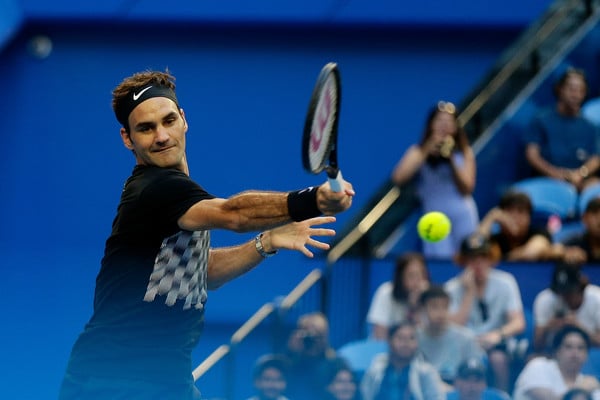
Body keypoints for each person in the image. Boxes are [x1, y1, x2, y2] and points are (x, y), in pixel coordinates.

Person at [58, 70, 355, 400]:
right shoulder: (154, 188)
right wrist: (312, 200)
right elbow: (235, 214)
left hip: (166, 378)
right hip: (114, 378)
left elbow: (202, 273)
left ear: (183, 120)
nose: (161, 135)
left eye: (168, 120)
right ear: (128, 138)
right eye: (146, 128)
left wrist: (266, 242)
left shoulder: (179, 196)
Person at [391, 101, 479, 259]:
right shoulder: (418, 150)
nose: (444, 126)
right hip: (434, 218)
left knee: (468, 260)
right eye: (439, 121)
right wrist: (426, 150)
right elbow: (399, 178)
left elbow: (467, 188)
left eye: (449, 122)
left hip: (463, 216)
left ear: (456, 127)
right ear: (430, 124)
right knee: (438, 262)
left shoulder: (465, 152)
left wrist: (450, 159)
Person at [445, 233, 525, 392]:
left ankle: (501, 396)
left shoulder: (506, 282)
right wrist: (469, 292)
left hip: (496, 343)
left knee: (498, 359)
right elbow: (453, 327)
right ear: (463, 262)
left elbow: (518, 322)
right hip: (464, 345)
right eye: (472, 259)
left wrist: (497, 335)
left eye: (483, 257)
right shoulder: (451, 288)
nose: (479, 264)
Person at [523, 67, 600, 192]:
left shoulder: (591, 127)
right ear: (560, 89)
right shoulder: (541, 119)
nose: (576, 94)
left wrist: (580, 174)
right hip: (546, 179)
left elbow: (596, 159)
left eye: (581, 90)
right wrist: (555, 174)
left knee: (595, 186)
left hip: (579, 181)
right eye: (572, 89)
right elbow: (532, 154)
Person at [417, 285, 486, 386]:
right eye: (434, 307)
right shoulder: (413, 338)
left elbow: (475, 377)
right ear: (422, 309)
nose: (441, 313)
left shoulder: (466, 338)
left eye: (445, 307)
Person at [361, 320, 446, 400]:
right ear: (389, 341)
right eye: (400, 338)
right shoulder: (376, 369)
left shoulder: (426, 372)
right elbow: (365, 395)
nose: (406, 343)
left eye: (411, 338)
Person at [513, 325, 600, 400]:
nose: (575, 353)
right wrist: (580, 389)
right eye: (568, 347)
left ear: (587, 355)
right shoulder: (538, 366)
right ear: (557, 351)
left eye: (580, 348)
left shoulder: (587, 382)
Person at [532, 262, 600, 355]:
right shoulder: (545, 299)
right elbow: (537, 347)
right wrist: (547, 328)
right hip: (554, 356)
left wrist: (579, 328)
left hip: (590, 355)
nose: (564, 297)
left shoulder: (596, 298)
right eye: (560, 292)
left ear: (580, 287)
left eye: (569, 292)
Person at [477, 190, 559, 262]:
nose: (515, 217)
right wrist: (491, 217)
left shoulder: (539, 232)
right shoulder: (496, 240)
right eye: (509, 211)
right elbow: (475, 247)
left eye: (520, 212)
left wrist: (501, 259)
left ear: (529, 217)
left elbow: (532, 252)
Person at [366, 252, 430, 340]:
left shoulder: (431, 298)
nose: (417, 281)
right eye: (411, 276)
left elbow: (429, 337)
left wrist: (416, 307)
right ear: (400, 277)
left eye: (421, 275)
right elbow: (380, 335)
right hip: (387, 350)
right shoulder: (386, 292)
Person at [285, 311, 341, 399]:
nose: (313, 339)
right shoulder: (290, 361)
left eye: (318, 335)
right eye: (308, 334)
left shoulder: (335, 363)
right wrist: (292, 352)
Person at [446, 357, 511, 400]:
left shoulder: (499, 398)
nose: (472, 386)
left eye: (477, 381)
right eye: (466, 380)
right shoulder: (444, 398)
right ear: (456, 383)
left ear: (485, 384)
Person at [561, 197, 600, 265]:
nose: (599, 220)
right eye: (594, 213)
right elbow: (554, 249)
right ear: (584, 218)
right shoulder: (575, 242)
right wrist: (564, 253)